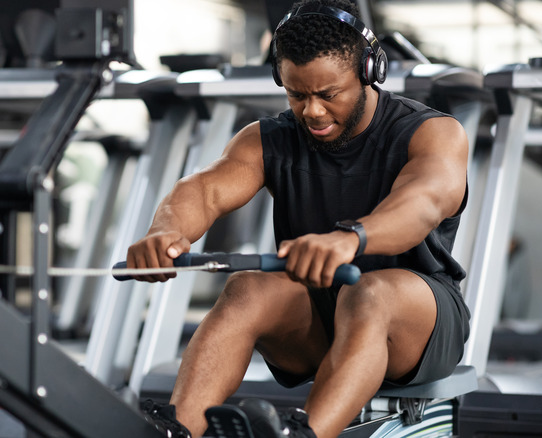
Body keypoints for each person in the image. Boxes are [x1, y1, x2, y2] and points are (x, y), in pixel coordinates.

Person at [129, 1, 471, 437]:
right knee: (246, 287)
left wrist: (351, 239)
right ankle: (180, 430)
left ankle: (307, 434)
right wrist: (166, 233)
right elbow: (204, 189)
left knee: (369, 293)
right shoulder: (268, 139)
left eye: (328, 95)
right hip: (321, 314)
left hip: (415, 320)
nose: (311, 111)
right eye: (297, 94)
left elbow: (420, 204)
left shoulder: (432, 132)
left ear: (369, 73)